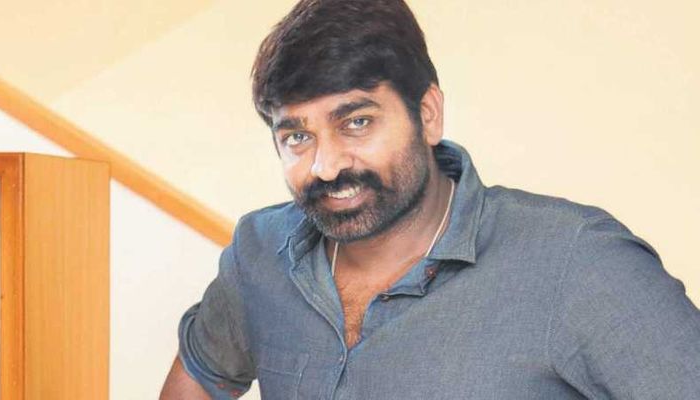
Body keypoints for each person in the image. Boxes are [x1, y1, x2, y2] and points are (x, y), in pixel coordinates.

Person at [160, 0, 700, 398]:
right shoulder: (259, 253)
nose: (326, 165)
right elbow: (200, 380)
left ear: (428, 114)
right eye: (297, 136)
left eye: (357, 122)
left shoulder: (578, 261)